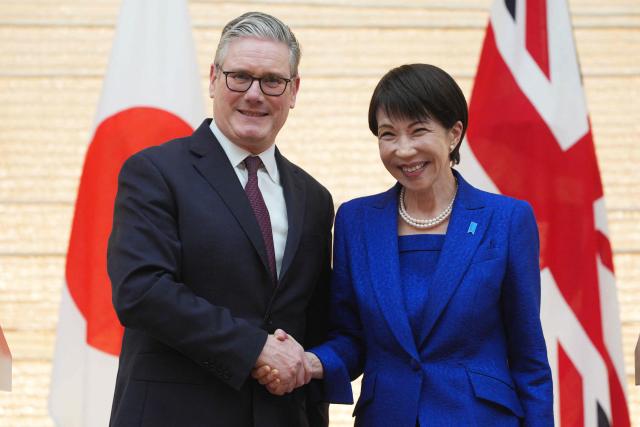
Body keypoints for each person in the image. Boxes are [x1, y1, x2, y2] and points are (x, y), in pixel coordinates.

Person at [255, 64, 553, 426]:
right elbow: (351, 336)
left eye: (418, 131)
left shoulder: (505, 219)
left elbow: (529, 357)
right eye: (388, 134)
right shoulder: (355, 221)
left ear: (454, 133)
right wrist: (310, 363)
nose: (404, 150)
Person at [107, 12, 333, 427]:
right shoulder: (155, 172)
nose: (254, 93)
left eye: (272, 81)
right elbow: (140, 290)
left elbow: (311, 327)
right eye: (239, 76)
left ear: (294, 90)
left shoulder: (315, 199)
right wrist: (254, 348)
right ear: (213, 78)